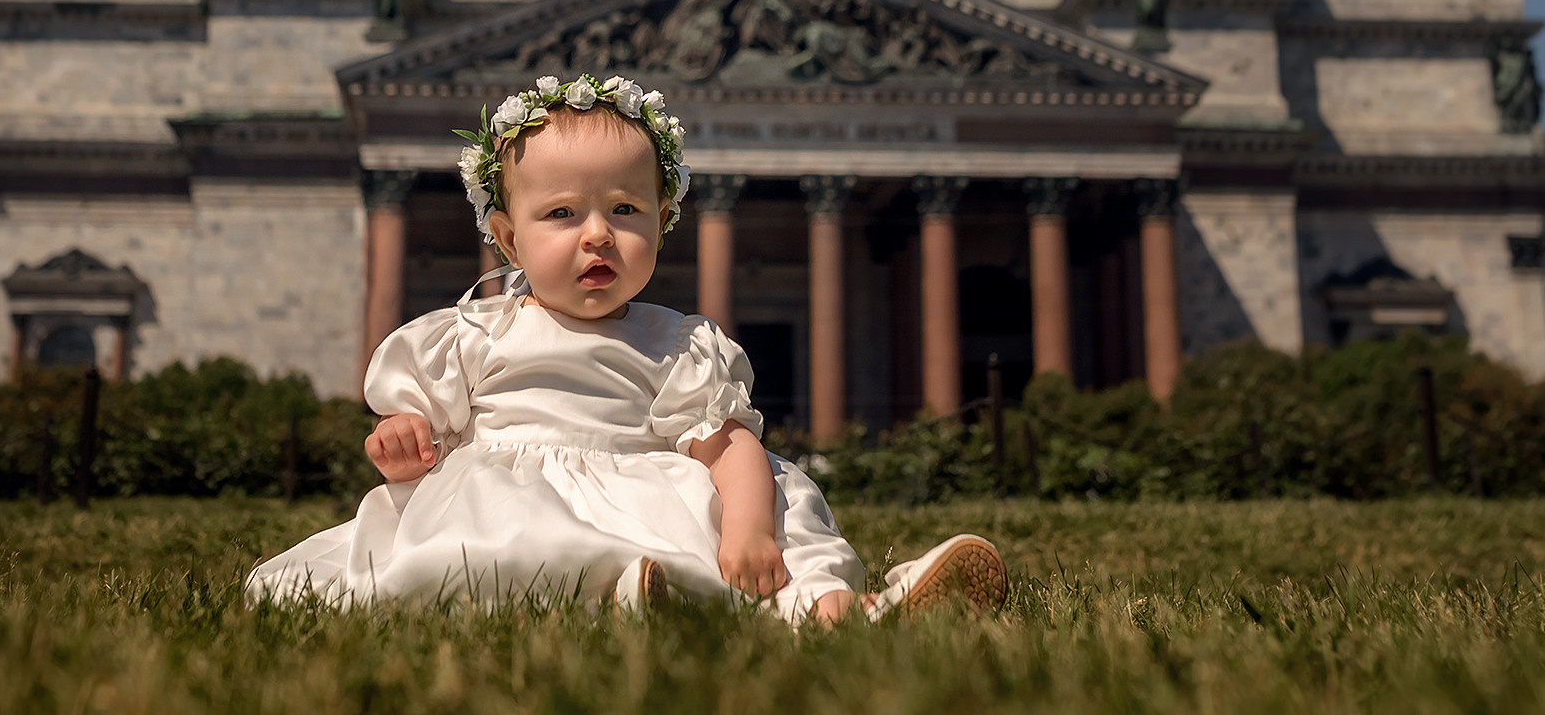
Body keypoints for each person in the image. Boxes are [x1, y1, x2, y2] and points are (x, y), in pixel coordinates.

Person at [245, 72, 1007, 623]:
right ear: (506, 237)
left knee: (773, 513)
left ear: (663, 219)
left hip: (653, 491)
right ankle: (648, 601)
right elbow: (415, 432)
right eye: (562, 212)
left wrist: (747, 527)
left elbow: (730, 447)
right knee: (512, 543)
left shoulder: (680, 343)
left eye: (625, 208)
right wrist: (402, 438)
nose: (597, 233)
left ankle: (846, 609)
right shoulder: (473, 330)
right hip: (512, 493)